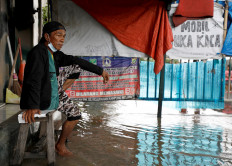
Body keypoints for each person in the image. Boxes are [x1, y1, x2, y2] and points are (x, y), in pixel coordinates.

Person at [20, 21, 109, 156]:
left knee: (75, 114)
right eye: (58, 35)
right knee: (57, 77)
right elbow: (34, 81)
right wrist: (32, 105)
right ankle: (57, 91)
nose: (62, 39)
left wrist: (100, 71)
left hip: (52, 92)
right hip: (42, 98)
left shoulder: (55, 54)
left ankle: (60, 144)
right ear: (47, 36)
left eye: (64, 36)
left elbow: (76, 60)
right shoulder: (38, 53)